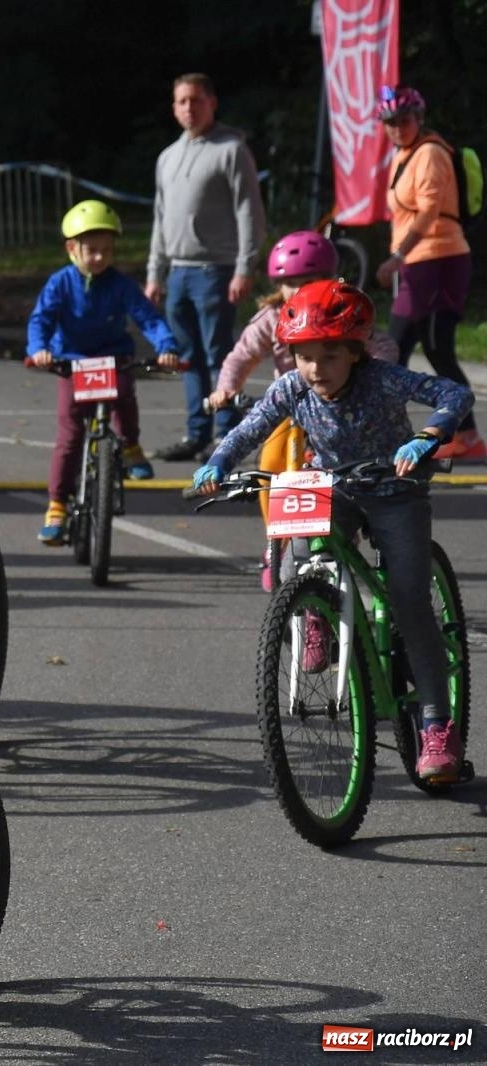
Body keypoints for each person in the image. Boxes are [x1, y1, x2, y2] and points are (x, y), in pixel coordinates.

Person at [193, 280, 474, 783]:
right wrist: (218, 461)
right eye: (303, 356)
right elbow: (250, 428)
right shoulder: (292, 387)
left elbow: (454, 393)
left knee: (409, 601)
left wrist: (428, 436)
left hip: (395, 491)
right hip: (334, 487)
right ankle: (314, 613)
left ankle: (437, 725)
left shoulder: (382, 378)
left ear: (355, 351)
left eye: (329, 356)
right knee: (293, 556)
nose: (315, 368)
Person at [208, 231, 399, 589]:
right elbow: (240, 356)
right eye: (290, 283)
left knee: (344, 473)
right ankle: (276, 542)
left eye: (309, 282)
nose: (298, 291)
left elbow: (382, 345)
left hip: (338, 406)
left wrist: (375, 376)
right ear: (277, 286)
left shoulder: (342, 312)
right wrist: (226, 388)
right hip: (291, 408)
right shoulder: (271, 318)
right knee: (270, 465)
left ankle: (341, 533)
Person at [28, 201, 181, 544]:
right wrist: (38, 349)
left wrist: (166, 347)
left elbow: (147, 318)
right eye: (92, 250)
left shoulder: (120, 284)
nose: (100, 257)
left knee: (124, 395)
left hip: (113, 358)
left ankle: (131, 447)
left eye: (107, 250)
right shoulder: (60, 283)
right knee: (70, 435)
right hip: (71, 361)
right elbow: (41, 319)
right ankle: (57, 505)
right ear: (72, 248)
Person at [145, 73, 266, 463]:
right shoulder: (167, 156)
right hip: (178, 271)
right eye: (181, 101)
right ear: (174, 107)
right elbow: (160, 219)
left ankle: (225, 434)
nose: (189, 108)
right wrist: (155, 274)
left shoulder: (231, 150)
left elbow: (249, 212)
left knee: (219, 356)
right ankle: (196, 433)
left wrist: (244, 267)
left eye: (196, 100)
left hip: (216, 269)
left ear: (212, 102)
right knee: (188, 358)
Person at [373, 84, 483, 463]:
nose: (396, 128)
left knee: (402, 351)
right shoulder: (404, 155)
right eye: (389, 122)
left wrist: (397, 256)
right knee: (407, 351)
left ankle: (464, 437)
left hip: (438, 260)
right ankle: (462, 435)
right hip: (421, 264)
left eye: (403, 121)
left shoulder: (430, 153)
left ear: (418, 118)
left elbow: (429, 211)